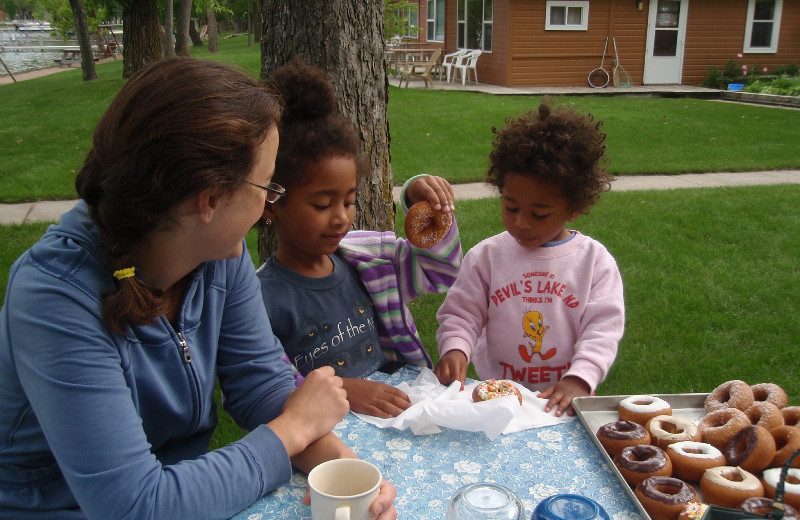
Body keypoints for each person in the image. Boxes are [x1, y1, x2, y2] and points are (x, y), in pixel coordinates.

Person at [0, 57, 396, 520]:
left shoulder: (216, 253)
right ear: (208, 199)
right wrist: (291, 431)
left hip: (194, 497)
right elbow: (134, 506)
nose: (270, 204)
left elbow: (260, 383)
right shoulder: (55, 298)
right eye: (268, 187)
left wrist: (344, 473)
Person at [257, 60, 462, 419]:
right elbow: (261, 383)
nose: (341, 217)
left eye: (349, 200)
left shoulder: (370, 259)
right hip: (324, 437)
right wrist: (344, 391)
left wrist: (417, 198)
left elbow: (441, 270)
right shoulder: (260, 297)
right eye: (322, 204)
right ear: (272, 205)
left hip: (396, 415)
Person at [434, 100, 625, 417]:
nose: (521, 222)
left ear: (574, 209)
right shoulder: (487, 257)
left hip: (563, 400)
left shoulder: (594, 262)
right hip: (497, 398)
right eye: (511, 207)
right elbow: (462, 313)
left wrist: (580, 378)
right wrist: (455, 347)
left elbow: (602, 330)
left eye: (539, 213)